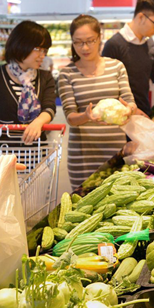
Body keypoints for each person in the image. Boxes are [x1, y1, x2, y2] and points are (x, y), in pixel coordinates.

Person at [58, 15, 138, 188]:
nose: (84, 47)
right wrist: (86, 116)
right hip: (83, 155)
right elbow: (70, 117)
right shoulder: (67, 74)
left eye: (90, 41)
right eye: (78, 42)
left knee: (116, 202)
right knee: (83, 207)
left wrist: (129, 110)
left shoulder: (116, 67)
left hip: (115, 152)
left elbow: (130, 102)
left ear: (100, 38)